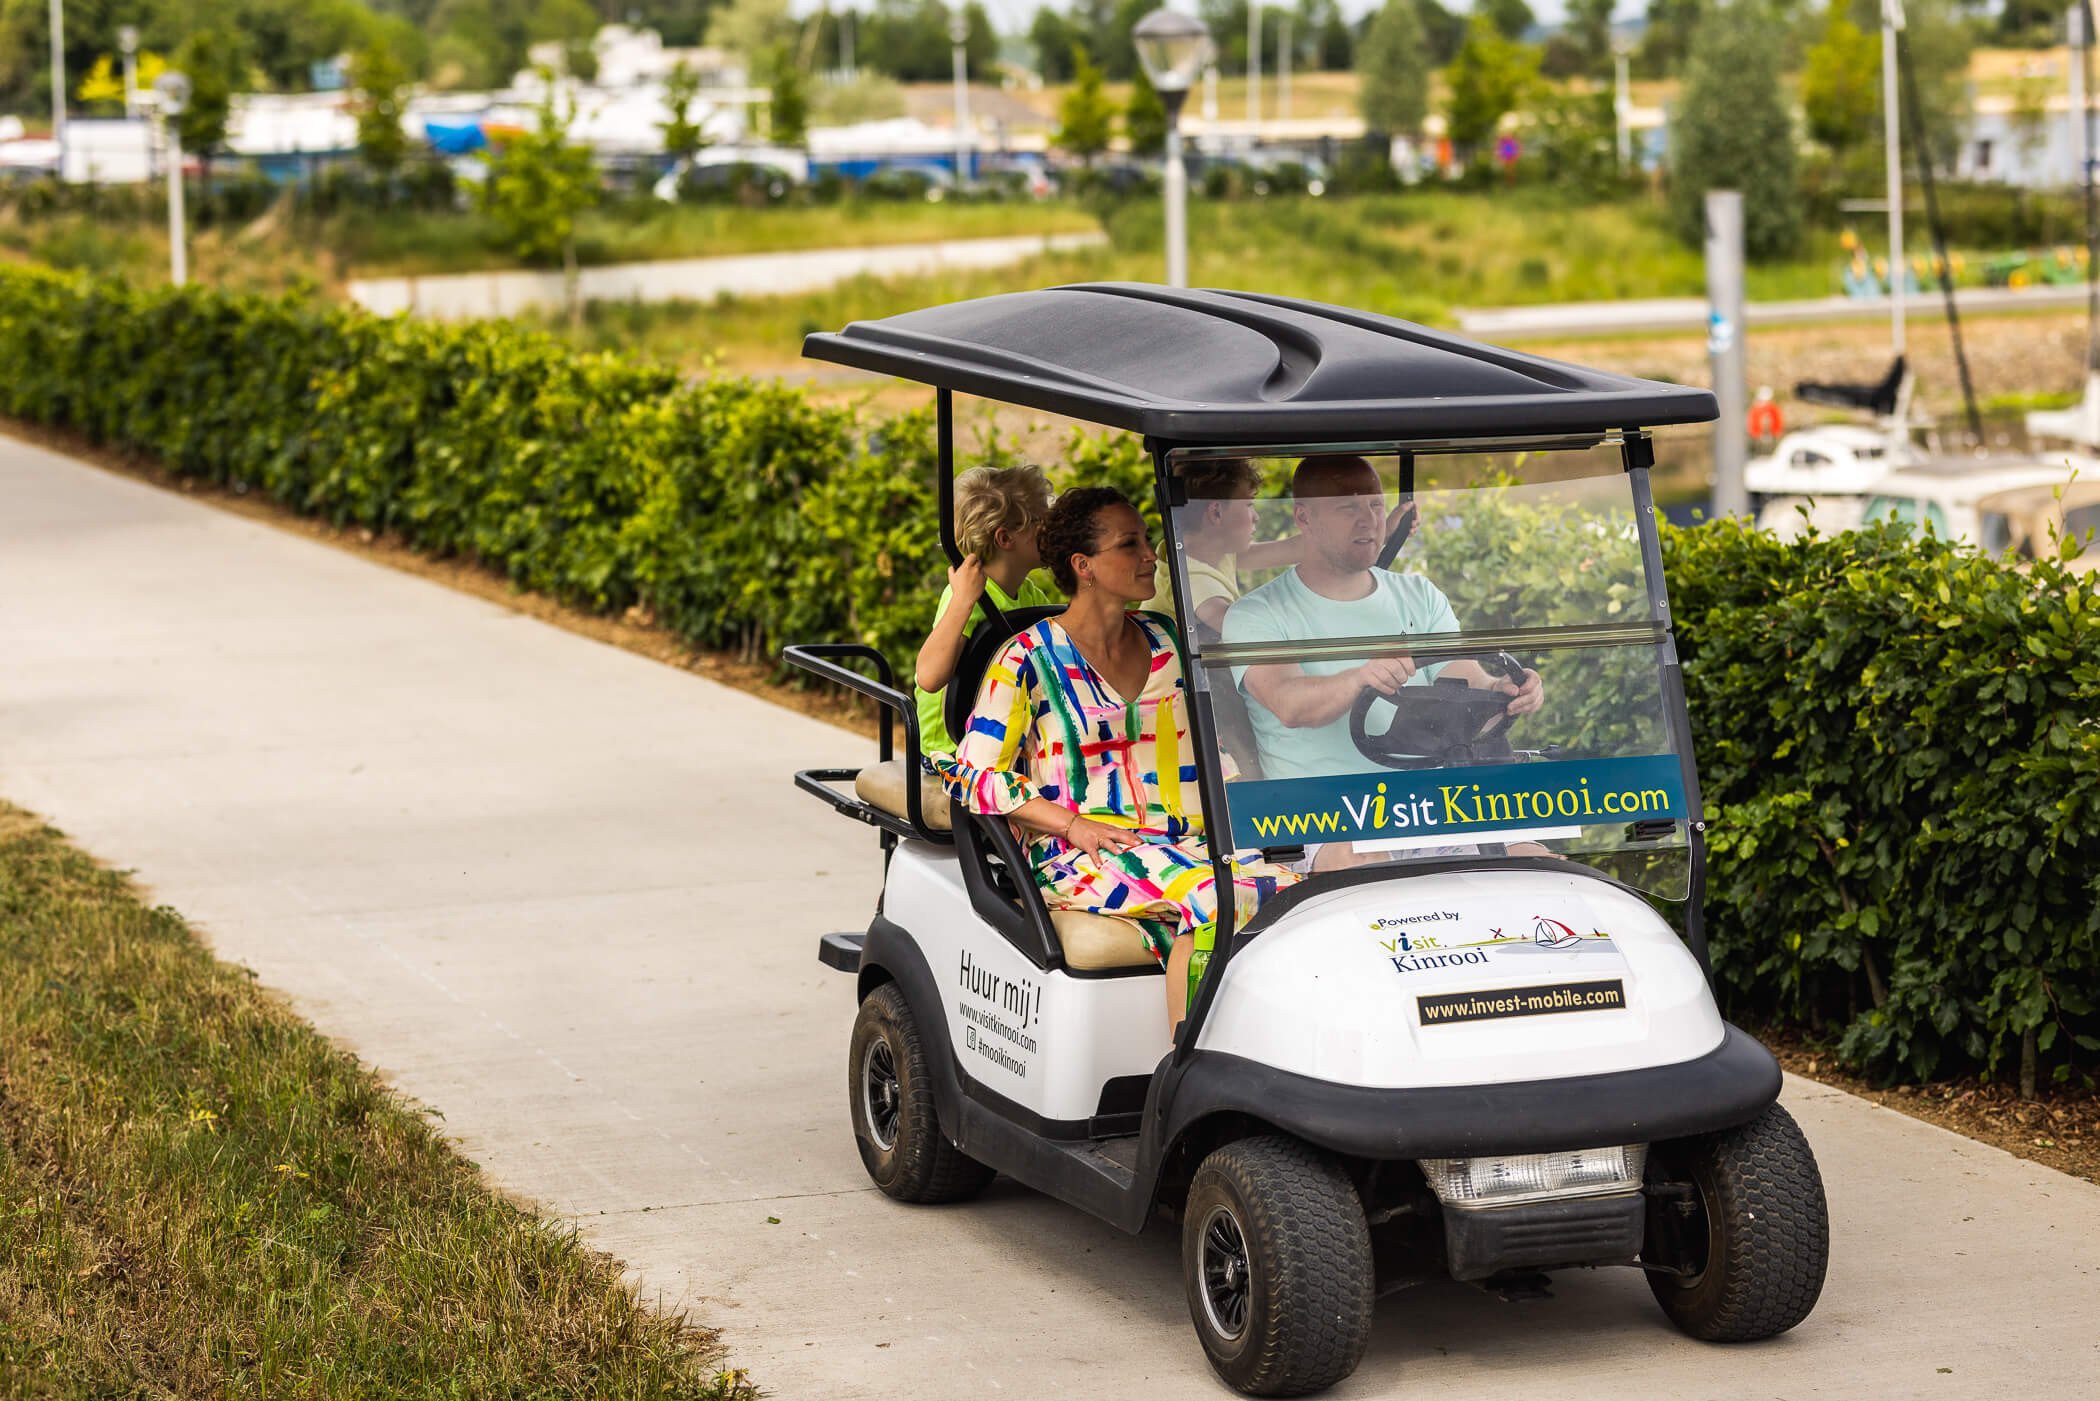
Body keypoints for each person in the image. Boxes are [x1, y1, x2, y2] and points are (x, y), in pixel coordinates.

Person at [935, 486, 1298, 1030]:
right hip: (1083, 852)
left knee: (1300, 892)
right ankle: (1189, 1066)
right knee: (1223, 897)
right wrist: (1071, 824)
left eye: (1146, 540)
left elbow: (1207, 747)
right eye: (1130, 545)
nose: (1151, 555)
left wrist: (1250, 801)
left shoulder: (1166, 640)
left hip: (1186, 843)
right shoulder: (1026, 658)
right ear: (1083, 566)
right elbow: (971, 776)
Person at [1223, 453, 1544, 796]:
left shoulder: (1420, 594)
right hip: (1318, 812)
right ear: (1304, 517)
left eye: (1376, 505)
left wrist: (1502, 691)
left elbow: (1463, 680)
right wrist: (1362, 677)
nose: (1369, 520)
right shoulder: (1255, 614)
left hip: (1427, 802)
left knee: (1536, 827)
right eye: (1349, 508)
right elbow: (1290, 704)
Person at [913, 463, 1056, 760]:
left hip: (1005, 742)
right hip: (950, 750)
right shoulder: (965, 595)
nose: (1053, 530)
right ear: (1005, 538)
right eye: (1042, 521)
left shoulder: (1031, 596)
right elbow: (928, 677)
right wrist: (964, 600)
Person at [1143, 458, 1303, 634]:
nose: (1256, 517)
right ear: (1216, 512)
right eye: (1249, 505)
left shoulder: (1214, 550)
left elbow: (1291, 550)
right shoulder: (1191, 577)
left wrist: (1323, 540)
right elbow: (1238, 627)